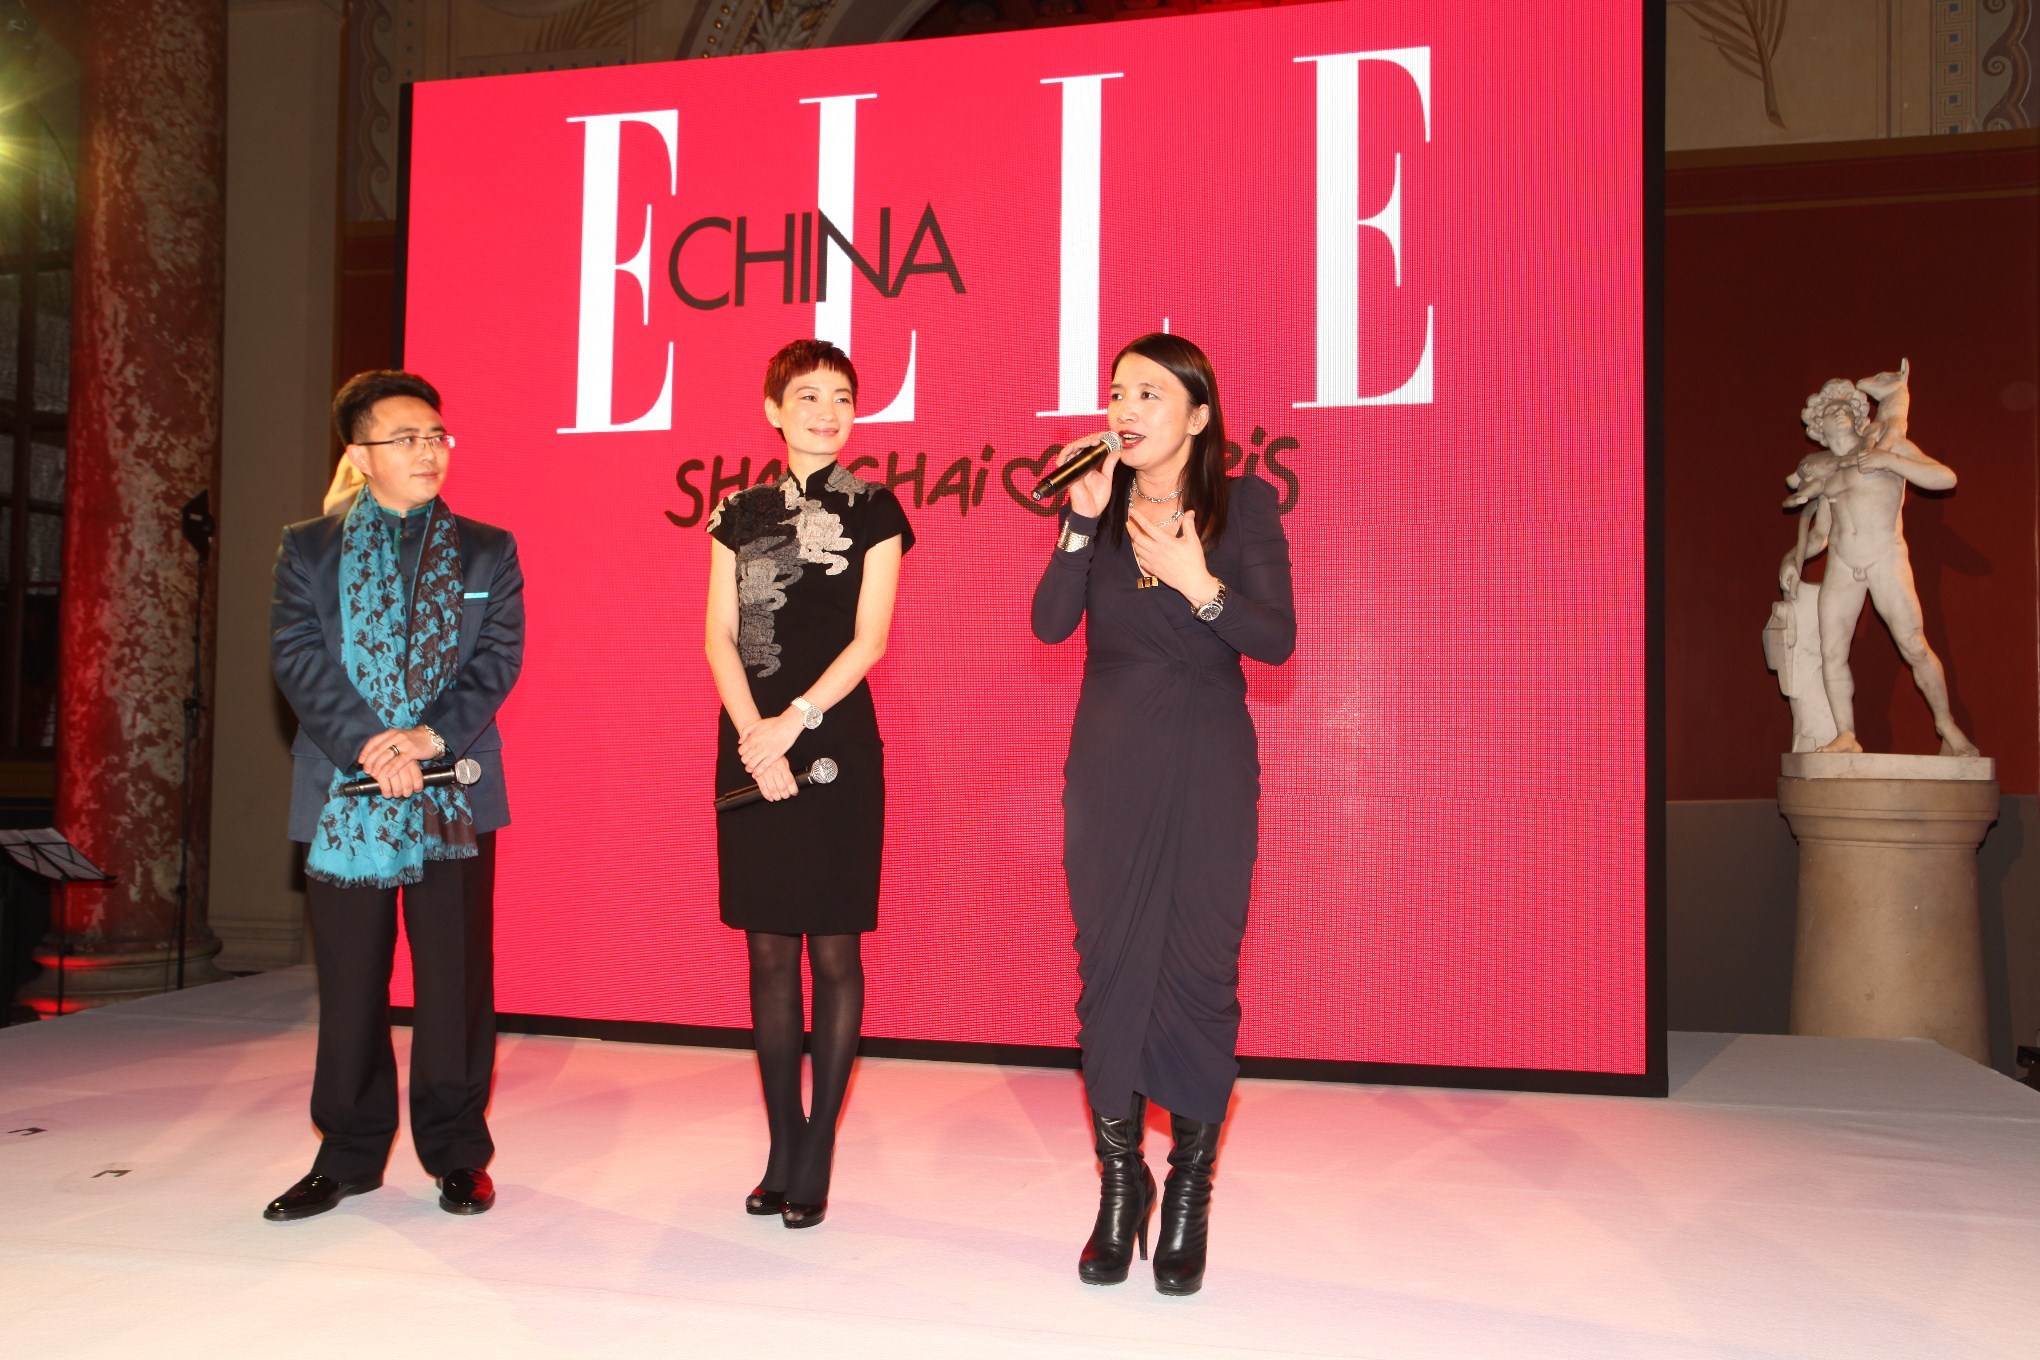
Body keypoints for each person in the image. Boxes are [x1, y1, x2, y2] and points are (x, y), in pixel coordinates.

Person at [1031, 332, 1295, 1296]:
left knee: (1198, 966)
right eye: (1117, 393)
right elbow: (1050, 624)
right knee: (1107, 967)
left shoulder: (1244, 504)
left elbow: (1276, 637)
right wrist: (1076, 525)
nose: (1126, 409)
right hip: (1110, 768)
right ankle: (1119, 1185)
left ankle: (1188, 1189)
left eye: (1149, 393)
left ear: (1198, 414)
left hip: (1208, 763)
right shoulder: (1095, 507)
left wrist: (1200, 586)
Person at [264, 370, 524, 1221]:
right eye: (405, 439)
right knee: (350, 982)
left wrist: (425, 739)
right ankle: (346, 1155)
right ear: (360, 454)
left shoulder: (487, 549)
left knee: (454, 980)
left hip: (453, 791)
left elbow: (497, 660)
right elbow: (298, 656)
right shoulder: (308, 548)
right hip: (346, 791)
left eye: (436, 436)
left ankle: (457, 1151)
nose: (428, 451)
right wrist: (373, 746)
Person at [704, 338, 913, 1229]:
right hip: (750, 743)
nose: (827, 412)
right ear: (773, 409)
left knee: (832, 953)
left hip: (833, 746)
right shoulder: (738, 511)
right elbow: (718, 636)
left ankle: (819, 1143)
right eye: (808, 396)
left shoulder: (876, 509)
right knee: (765, 953)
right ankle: (782, 1143)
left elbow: (870, 640)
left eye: (842, 397)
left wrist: (794, 721)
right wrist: (755, 735)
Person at [1777, 368, 1977, 757]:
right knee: (1833, 653)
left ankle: (1947, 727)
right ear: (1819, 429)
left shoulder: (1888, 443)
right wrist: (1793, 558)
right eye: (1830, 410)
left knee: (1914, 646)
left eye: (1846, 407)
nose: (1839, 412)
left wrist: (1889, 460)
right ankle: (1846, 735)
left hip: (1885, 557)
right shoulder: (1829, 473)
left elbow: (1945, 478)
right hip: (1842, 565)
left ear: (1858, 416)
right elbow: (1819, 534)